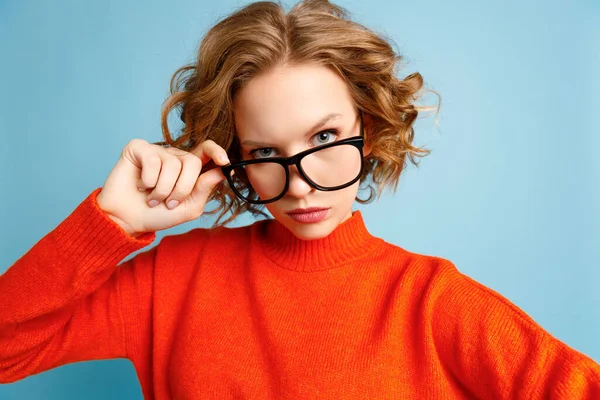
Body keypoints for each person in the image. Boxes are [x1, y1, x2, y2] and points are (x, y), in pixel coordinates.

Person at [1, 0, 599, 398]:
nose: (302, 184)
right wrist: (109, 222)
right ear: (231, 155)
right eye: (264, 153)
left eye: (324, 138)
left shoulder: (432, 302)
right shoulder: (170, 281)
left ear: (370, 127)